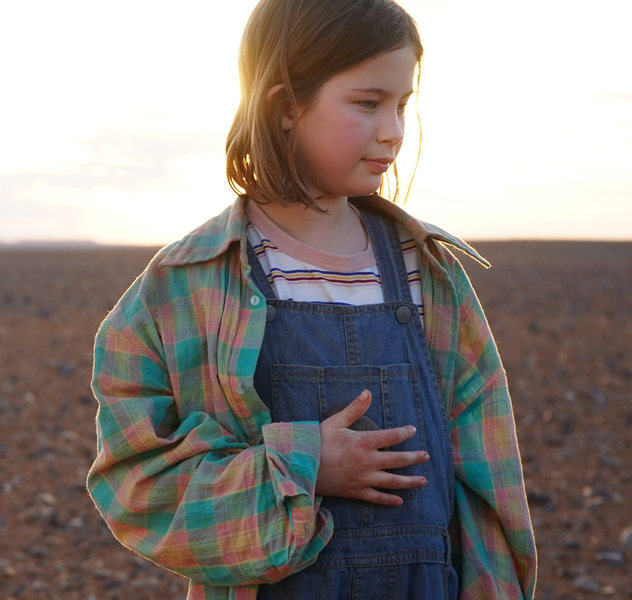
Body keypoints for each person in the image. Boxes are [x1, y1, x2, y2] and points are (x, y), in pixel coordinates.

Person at [86, 0, 537, 598]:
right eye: (368, 102)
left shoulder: (430, 275)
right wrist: (303, 466)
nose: (393, 131)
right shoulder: (182, 287)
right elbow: (136, 488)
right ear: (284, 107)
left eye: (402, 105)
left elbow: (489, 488)